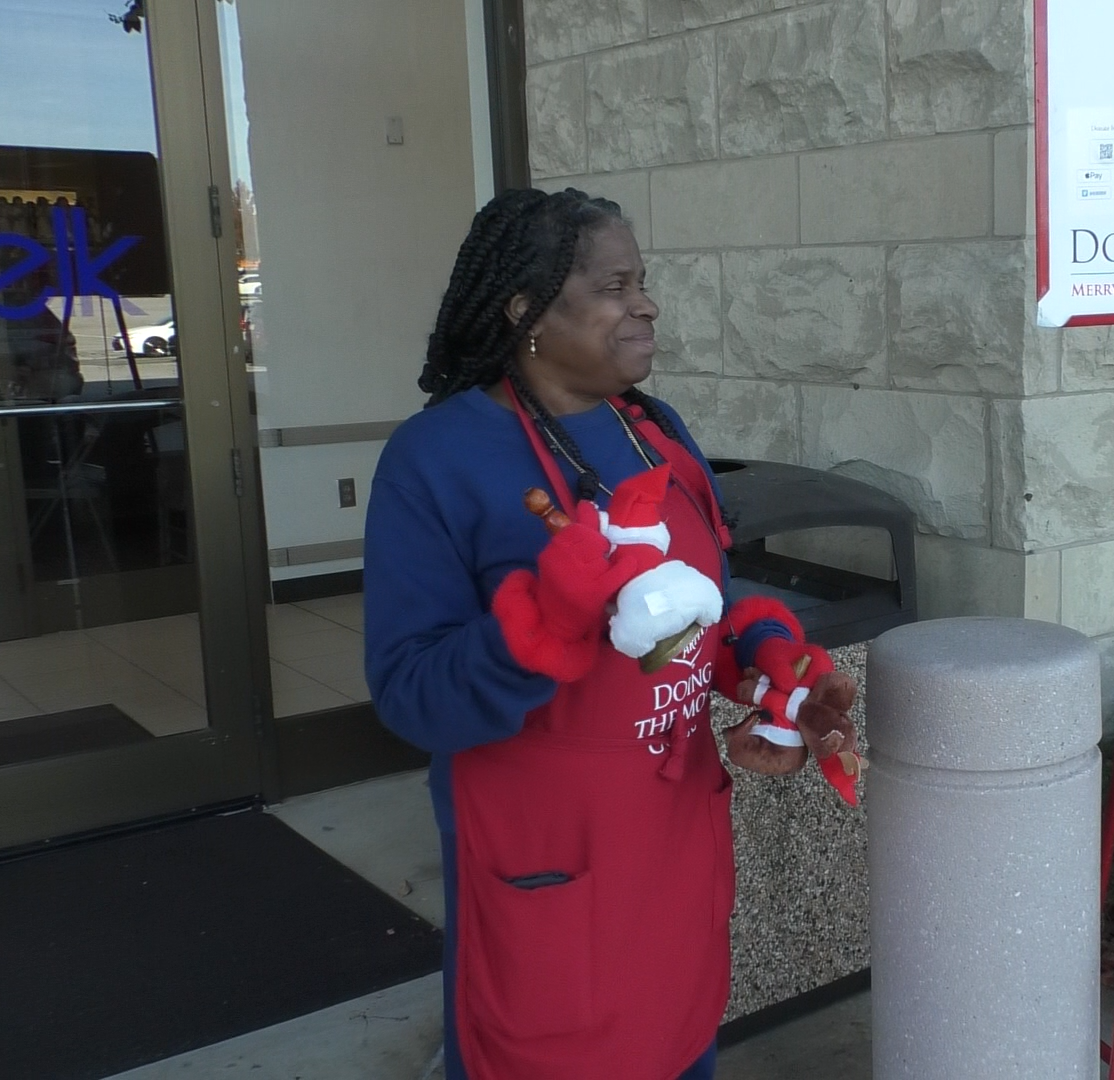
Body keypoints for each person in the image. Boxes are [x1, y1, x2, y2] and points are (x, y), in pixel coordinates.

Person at [363, 187, 857, 1080]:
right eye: (615, 285)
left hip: (672, 840)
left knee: (678, 1041)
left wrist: (769, 667)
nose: (647, 304)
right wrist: (547, 619)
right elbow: (411, 695)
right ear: (525, 309)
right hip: (547, 853)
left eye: (644, 282)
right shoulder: (436, 461)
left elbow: (707, 600)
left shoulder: (654, 431)